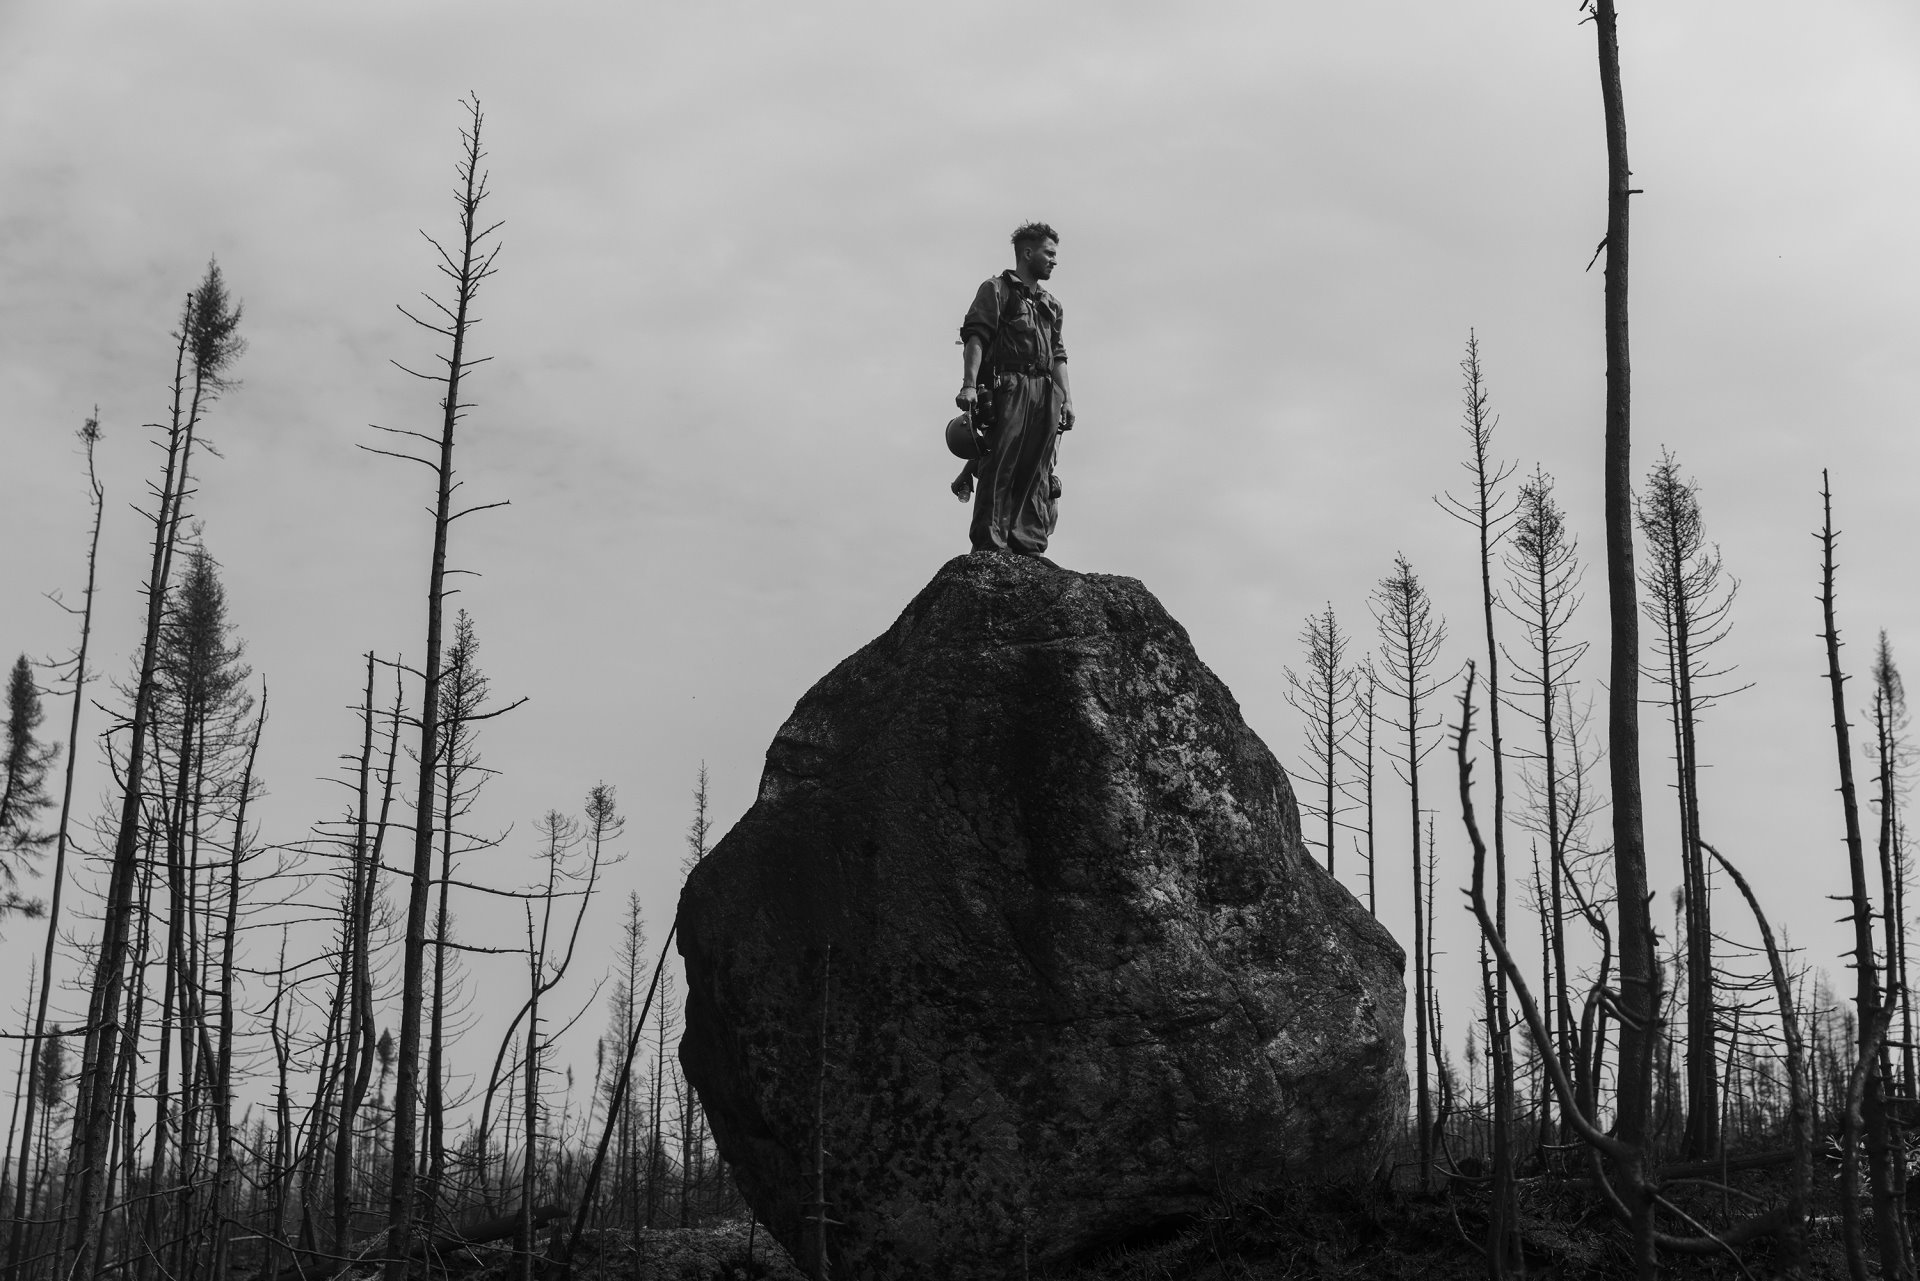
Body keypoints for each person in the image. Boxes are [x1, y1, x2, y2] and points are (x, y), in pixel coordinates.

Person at [951, 222, 1076, 554]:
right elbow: (976, 337)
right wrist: (969, 386)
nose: (1053, 261)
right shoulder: (995, 290)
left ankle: (1028, 544)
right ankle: (990, 545)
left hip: (1046, 391)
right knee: (1001, 462)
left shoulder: (1052, 304)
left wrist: (1067, 399)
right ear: (1028, 253)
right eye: (1049, 253)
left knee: (1039, 468)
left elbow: (1058, 356)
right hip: (1010, 385)